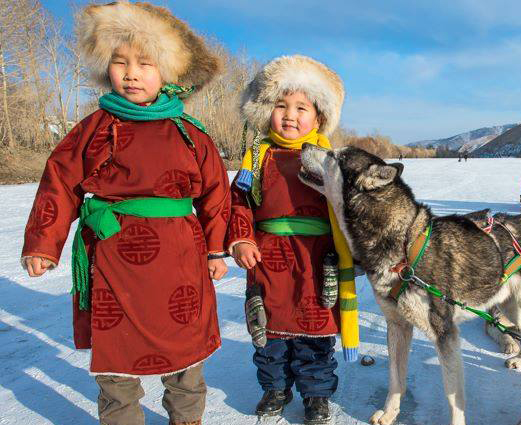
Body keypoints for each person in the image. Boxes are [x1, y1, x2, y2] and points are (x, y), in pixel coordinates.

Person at [21, 3, 229, 424]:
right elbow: (59, 182)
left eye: (145, 64)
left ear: (168, 72)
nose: (131, 74)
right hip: (114, 259)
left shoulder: (191, 134)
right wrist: (44, 243)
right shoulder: (94, 128)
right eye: (120, 63)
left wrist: (216, 249)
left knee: (185, 351)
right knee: (116, 353)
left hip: (180, 261)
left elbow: (216, 194)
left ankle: (187, 418)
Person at [227, 55, 358, 424]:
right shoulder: (257, 158)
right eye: (281, 106)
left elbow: (350, 209)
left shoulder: (329, 161)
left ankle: (316, 394)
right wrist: (241, 239)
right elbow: (238, 203)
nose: (289, 115)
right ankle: (275, 388)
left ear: (318, 118)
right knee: (268, 332)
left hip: (317, 259)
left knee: (315, 334)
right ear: (266, 111)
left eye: (301, 108)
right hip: (267, 257)